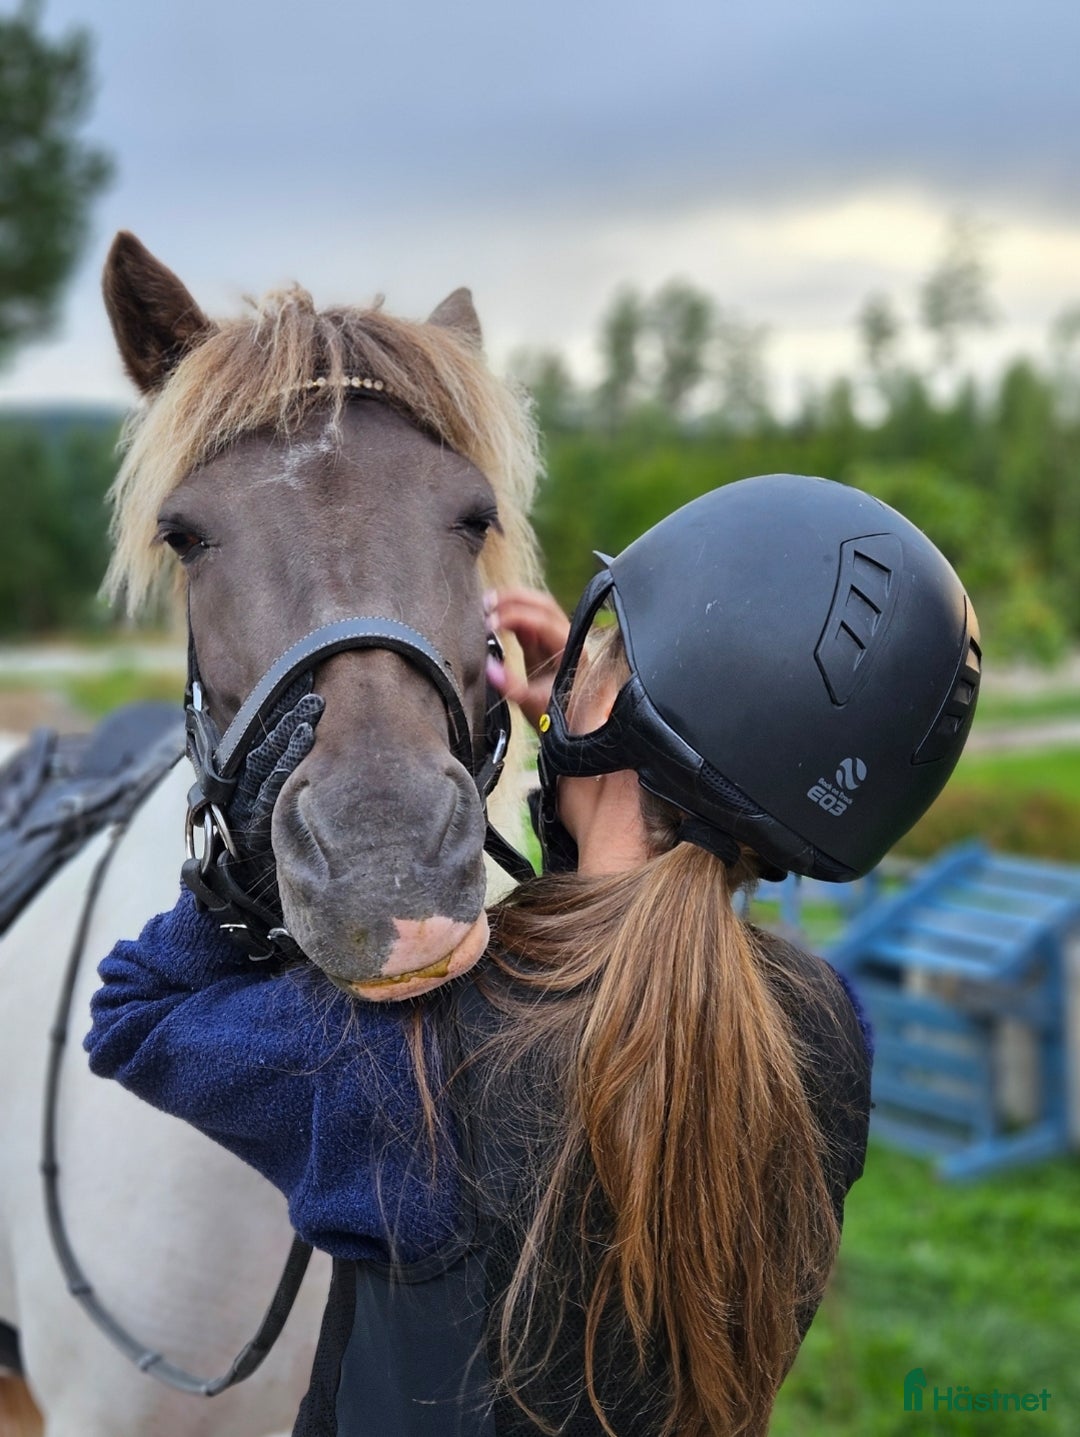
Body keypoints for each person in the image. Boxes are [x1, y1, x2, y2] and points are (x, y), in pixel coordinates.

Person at [85, 474, 980, 1437]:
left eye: (608, 647)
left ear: (628, 715)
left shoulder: (406, 1064)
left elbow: (137, 1009)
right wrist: (599, 741)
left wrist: (252, 828)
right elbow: (624, 960)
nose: (582, 653)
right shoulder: (822, 1032)